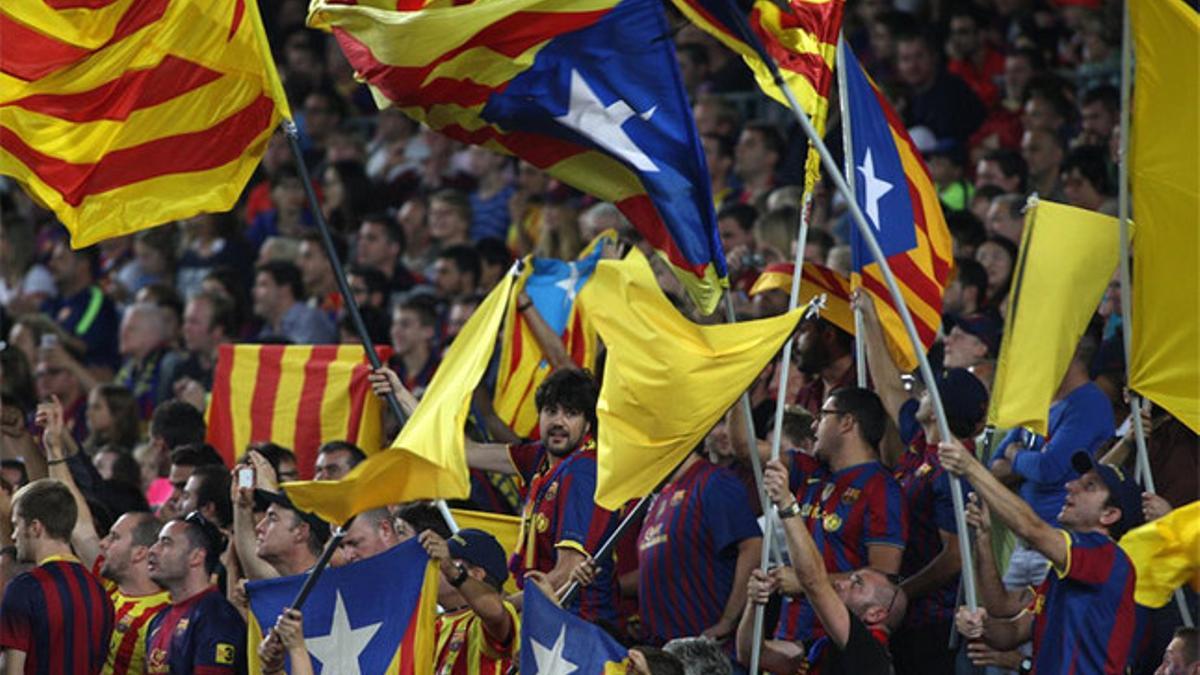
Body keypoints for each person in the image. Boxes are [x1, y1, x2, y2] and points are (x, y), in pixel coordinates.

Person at [942, 443, 1143, 674]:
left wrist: (971, 468)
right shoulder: (1066, 568)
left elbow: (1032, 529)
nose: (1070, 485)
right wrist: (980, 625)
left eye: (1089, 486)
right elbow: (1011, 628)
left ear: (1109, 515)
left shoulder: (1108, 558)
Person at [460, 368, 619, 622]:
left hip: (580, 626)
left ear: (588, 424)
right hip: (548, 619)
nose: (558, 422)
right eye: (551, 411)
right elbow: (467, 452)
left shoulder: (582, 472)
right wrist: (402, 396)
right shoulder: (540, 459)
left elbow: (567, 572)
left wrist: (501, 609)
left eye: (571, 413)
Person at [764, 387, 907, 646]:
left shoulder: (881, 489)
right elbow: (745, 449)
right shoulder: (810, 470)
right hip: (791, 629)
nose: (814, 425)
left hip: (833, 638)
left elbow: (883, 581)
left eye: (823, 415)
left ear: (847, 422)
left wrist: (805, 583)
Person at [738, 458, 907, 674]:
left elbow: (814, 582)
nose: (842, 583)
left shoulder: (871, 655)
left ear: (875, 614)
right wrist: (754, 603)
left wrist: (786, 504)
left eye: (857, 583)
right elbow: (752, 654)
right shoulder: (823, 647)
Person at [635, 446, 762, 647]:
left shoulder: (714, 482)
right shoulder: (662, 494)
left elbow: (753, 546)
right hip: (664, 651)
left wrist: (729, 620)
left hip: (705, 651)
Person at [0, 479, 115, 674]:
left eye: (16, 525)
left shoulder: (24, 588)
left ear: (35, 527)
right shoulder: (100, 593)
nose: (13, 536)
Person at [145, 513, 246, 673]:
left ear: (196, 557)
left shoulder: (217, 617)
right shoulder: (158, 619)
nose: (152, 550)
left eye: (166, 543)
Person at [419, 528, 520, 673]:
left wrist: (453, 573)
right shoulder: (433, 625)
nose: (437, 567)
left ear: (476, 574)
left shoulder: (483, 620)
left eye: (446, 562)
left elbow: (495, 612)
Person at [252, 260, 336, 344]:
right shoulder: (267, 330)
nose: (254, 291)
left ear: (284, 289)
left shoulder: (310, 320)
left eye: (263, 285)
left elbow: (300, 356)